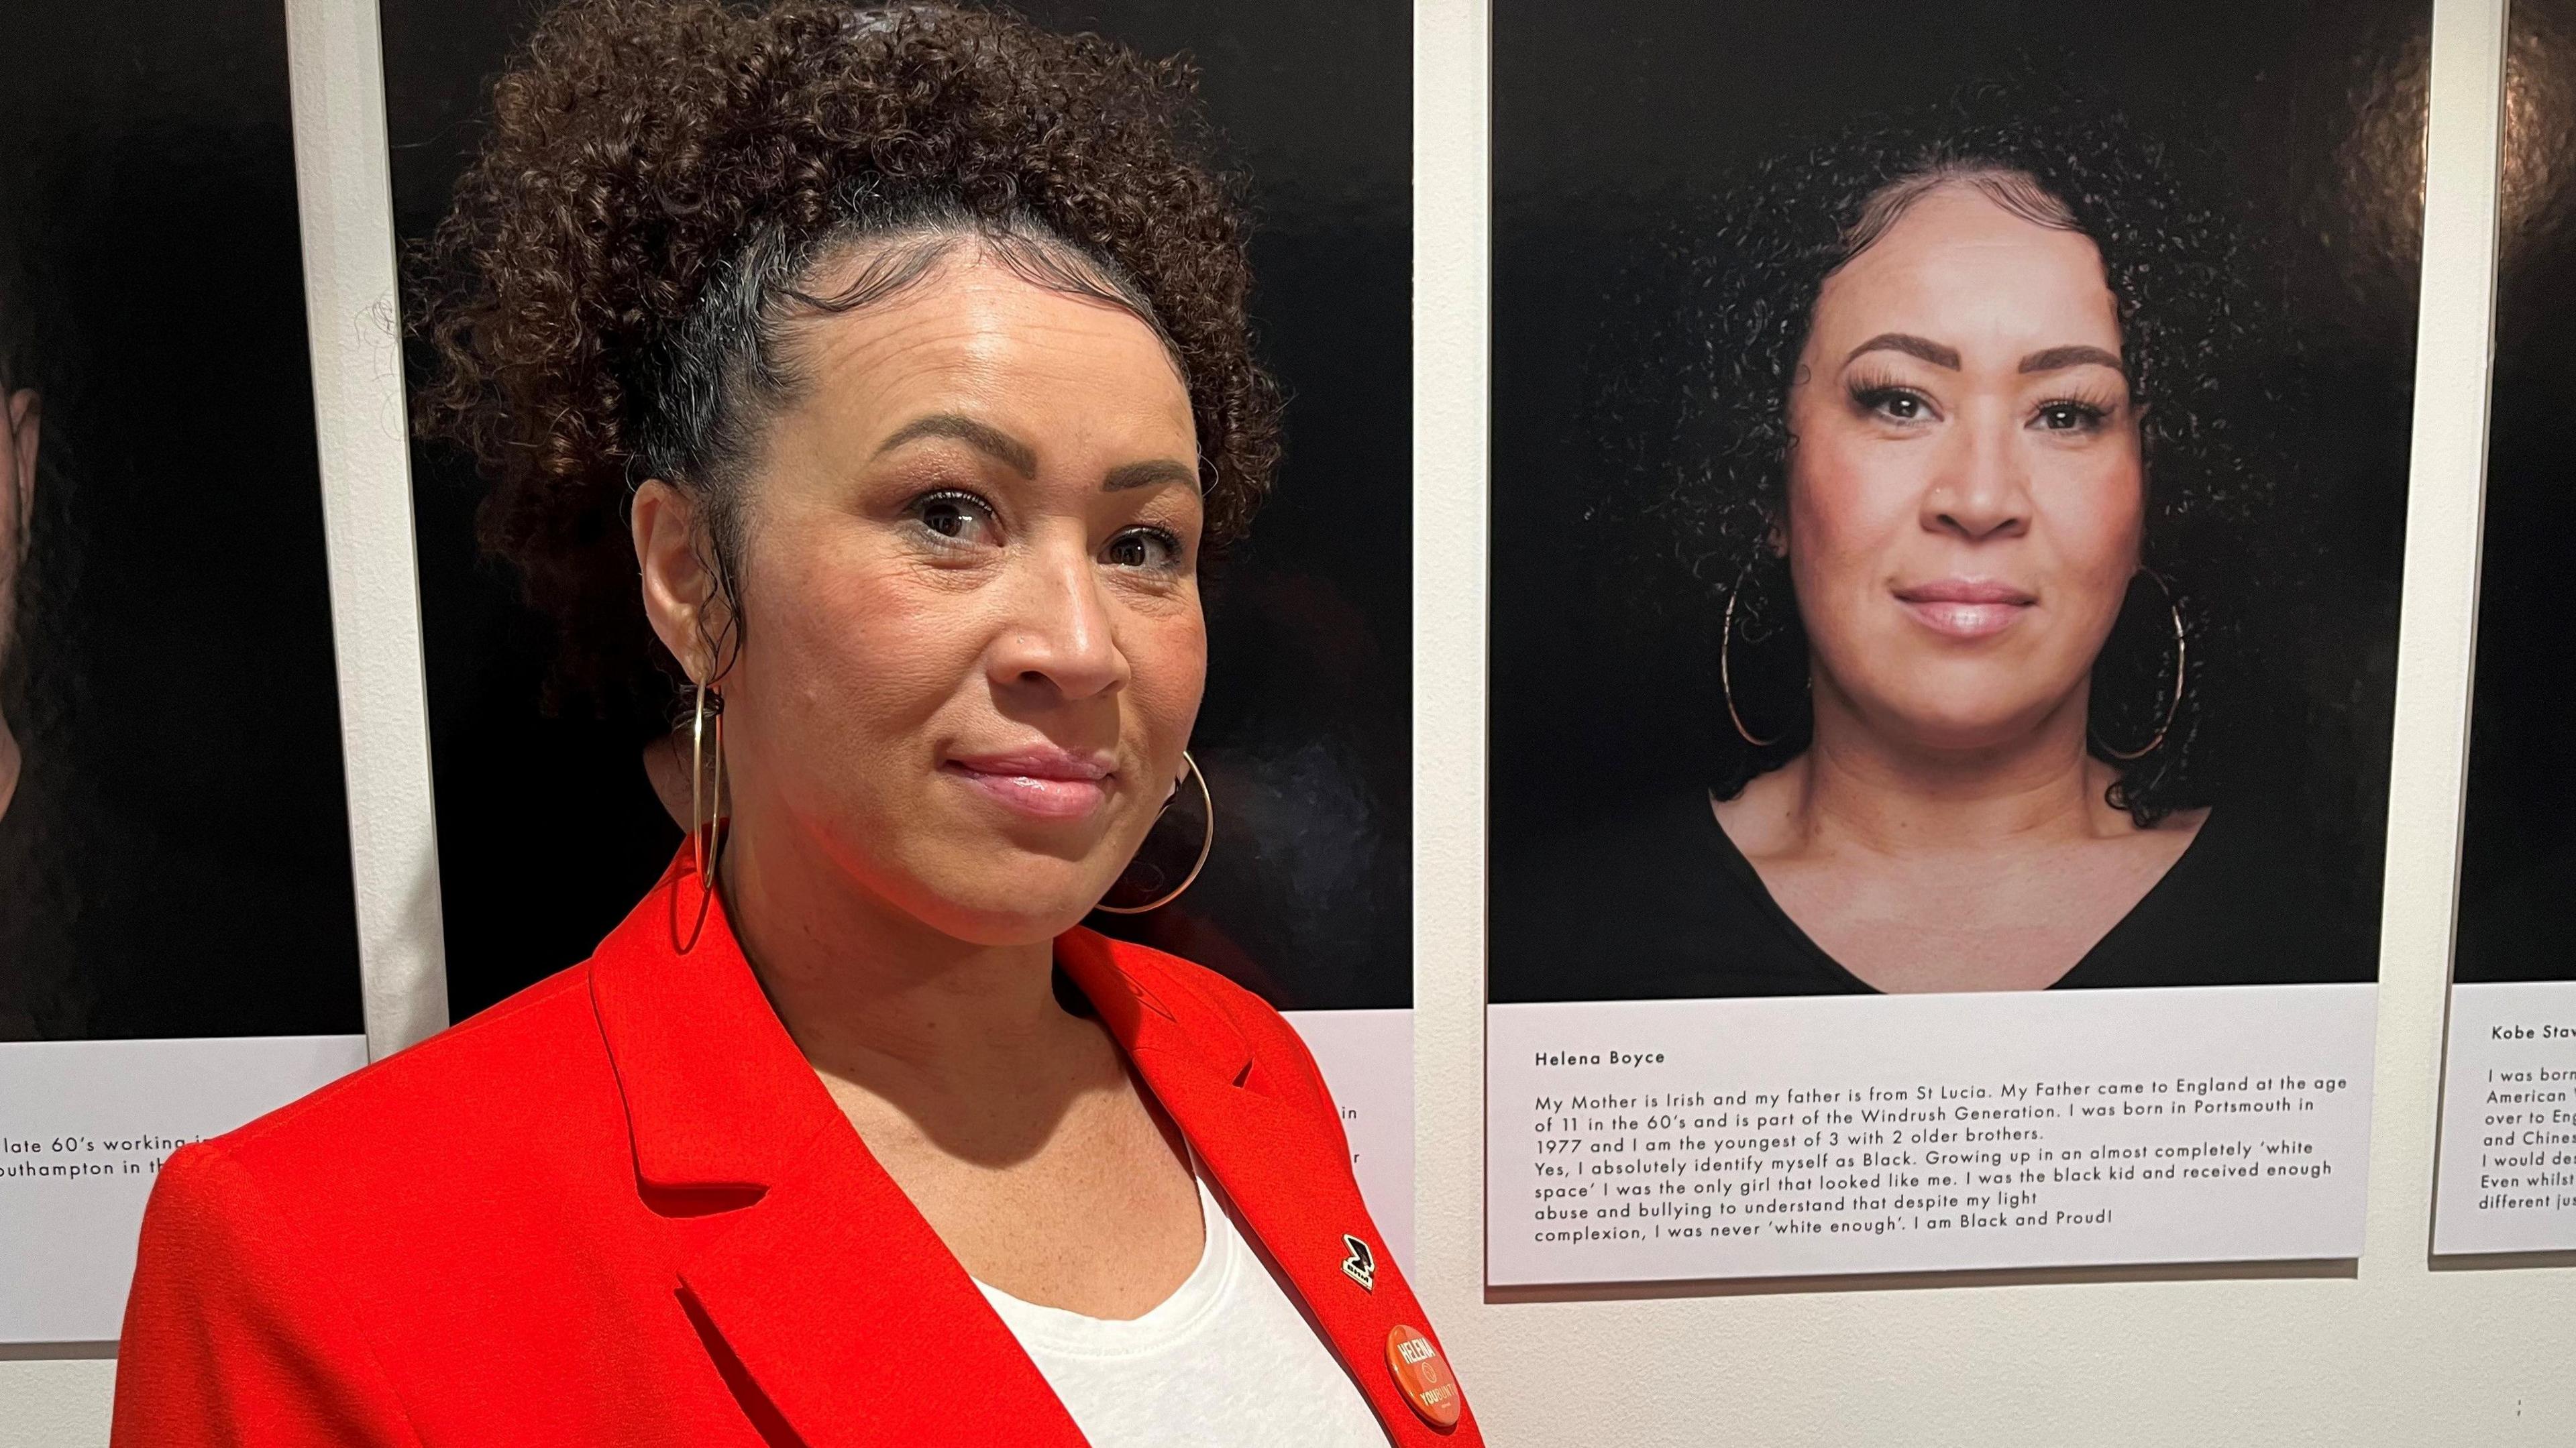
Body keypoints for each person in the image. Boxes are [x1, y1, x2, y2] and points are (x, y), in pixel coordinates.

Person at [111, 4, 1470, 1443]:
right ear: (692, 577)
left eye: (1145, 544)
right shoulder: (321, 1253)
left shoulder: (1241, 1064)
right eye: (950, 513)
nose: (1081, 647)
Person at [1492, 105, 2362, 1000]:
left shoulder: (2334, 941)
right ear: (1766, 470)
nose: (1980, 500)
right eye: (1900, 401)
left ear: (2155, 490)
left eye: (2065, 413)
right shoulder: (1547, 949)